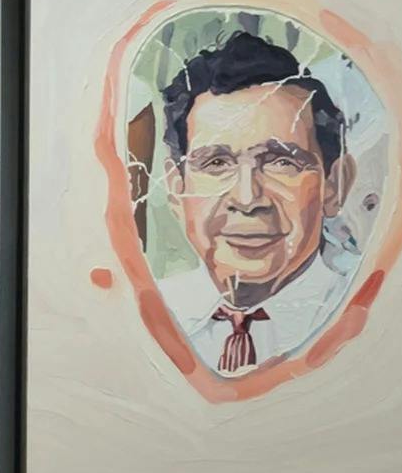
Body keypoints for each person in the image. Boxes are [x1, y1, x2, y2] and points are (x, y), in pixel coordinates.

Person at [151, 26, 363, 379]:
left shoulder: (370, 319)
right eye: (216, 163)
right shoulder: (148, 319)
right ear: (176, 189)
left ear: (334, 185)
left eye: (282, 162)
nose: (248, 199)